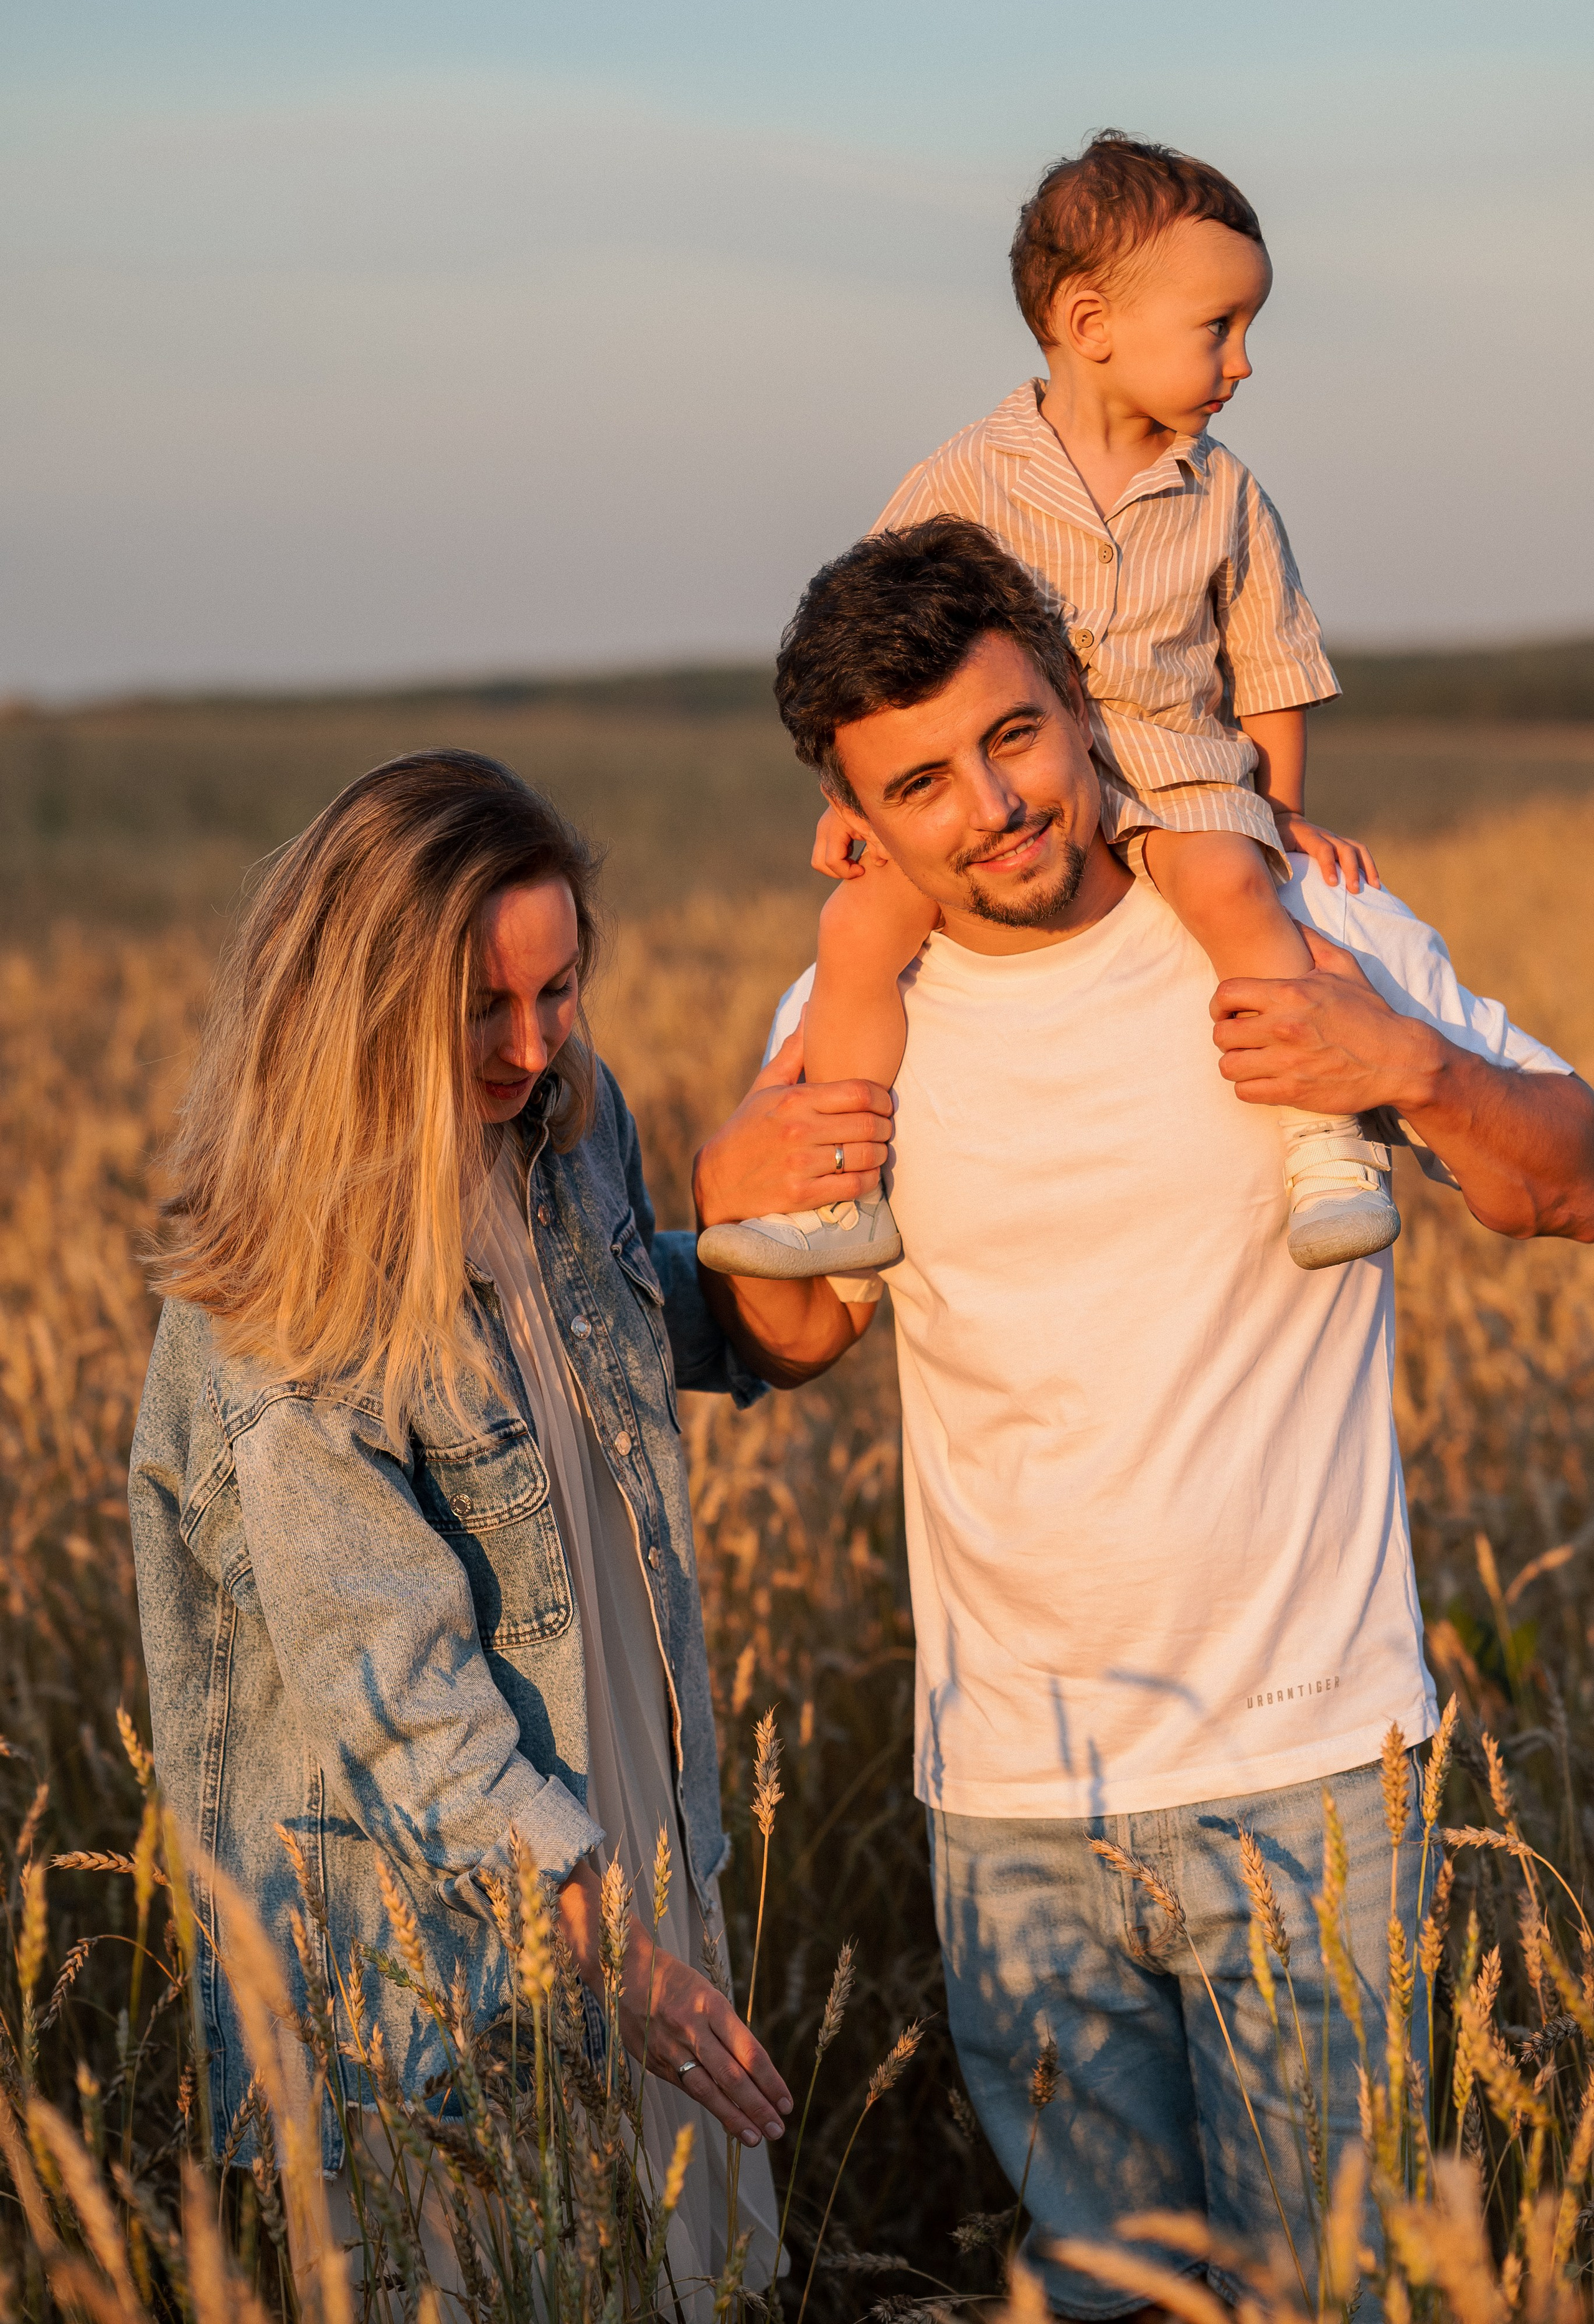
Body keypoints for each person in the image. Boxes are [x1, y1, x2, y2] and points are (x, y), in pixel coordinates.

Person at [689, 524, 1594, 2315]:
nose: (992, 807)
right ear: (854, 819)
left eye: (1011, 736)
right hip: (1013, 1811)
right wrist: (728, 1188)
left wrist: (1408, 1066)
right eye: (920, 784)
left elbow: (1567, 1177)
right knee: (1104, 2298)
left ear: (1080, 702)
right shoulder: (848, 1015)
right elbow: (790, 1335)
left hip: (1310, 1780)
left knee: (1332, 2292)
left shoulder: (1300, 923)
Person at [128, 751, 791, 2313]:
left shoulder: (565, 1123)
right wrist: (614, 1952)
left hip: (628, 1824)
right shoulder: (290, 1272)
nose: (533, 1042)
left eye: (559, 990)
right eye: (483, 1007)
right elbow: (395, 1691)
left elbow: (604, 1339)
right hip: (430, 1945)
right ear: (365, 1001)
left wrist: (777, 1255)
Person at [698, 130, 1398, 1285]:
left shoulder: (1227, 493)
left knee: (1236, 892)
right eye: (1218, 326)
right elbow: (869, 652)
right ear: (1090, 323)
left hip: (1178, 771)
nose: (1243, 362)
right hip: (1013, 776)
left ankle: (1326, 1141)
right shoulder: (969, 474)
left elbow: (1271, 669)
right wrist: (855, 805)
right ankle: (847, 1195)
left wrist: (1278, 812)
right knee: (856, 934)